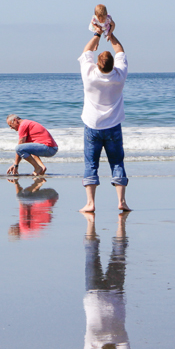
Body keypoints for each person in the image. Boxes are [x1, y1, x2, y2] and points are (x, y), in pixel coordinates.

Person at [77, 24, 130, 212]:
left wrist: (98, 33)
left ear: (97, 63)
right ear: (112, 64)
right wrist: (111, 34)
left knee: (91, 163)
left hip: (93, 125)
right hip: (113, 125)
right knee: (117, 162)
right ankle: (121, 202)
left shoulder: (89, 75)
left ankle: (90, 204)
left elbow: (86, 51)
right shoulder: (119, 75)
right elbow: (120, 51)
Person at [81, 212, 129, 349]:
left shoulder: (121, 339)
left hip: (115, 294)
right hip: (94, 295)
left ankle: (120, 222)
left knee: (119, 253)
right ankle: (90, 222)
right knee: (91, 254)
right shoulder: (93, 342)